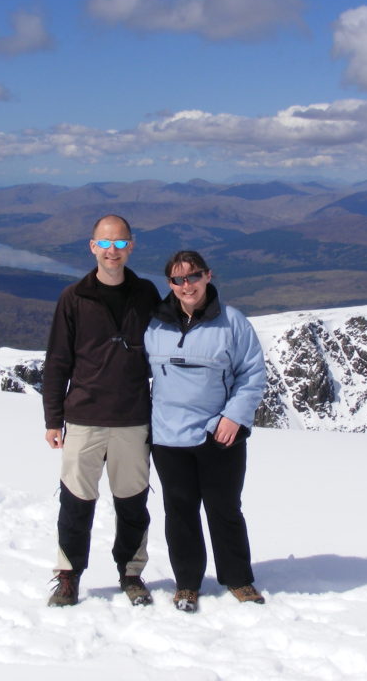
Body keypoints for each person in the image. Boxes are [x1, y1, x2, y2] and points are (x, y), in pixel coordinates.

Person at [42, 214, 161, 607]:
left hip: (132, 416)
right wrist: (52, 419)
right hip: (84, 416)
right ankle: (68, 575)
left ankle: (131, 573)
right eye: (106, 243)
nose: (113, 251)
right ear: (93, 246)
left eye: (120, 243)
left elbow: (166, 349)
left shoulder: (146, 294)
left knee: (133, 502)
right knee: (75, 501)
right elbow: (58, 360)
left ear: (132, 245)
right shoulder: (74, 298)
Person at [144, 250, 267, 613]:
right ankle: (187, 584)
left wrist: (234, 417)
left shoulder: (233, 323)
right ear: (169, 284)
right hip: (169, 437)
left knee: (224, 509)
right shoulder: (156, 325)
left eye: (193, 276)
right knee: (179, 512)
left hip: (219, 435)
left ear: (208, 277)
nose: (187, 286)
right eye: (178, 280)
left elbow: (252, 374)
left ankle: (239, 579)